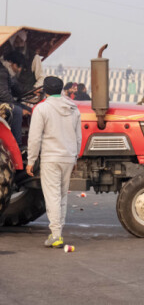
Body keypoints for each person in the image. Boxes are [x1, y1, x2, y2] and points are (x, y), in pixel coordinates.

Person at [26, 76, 82, 248]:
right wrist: (75, 157)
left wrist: (31, 160)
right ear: (61, 89)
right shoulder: (73, 109)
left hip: (50, 158)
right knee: (62, 195)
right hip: (68, 158)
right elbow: (78, 137)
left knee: (52, 196)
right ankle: (57, 232)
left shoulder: (41, 109)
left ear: (45, 90)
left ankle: (56, 235)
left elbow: (34, 138)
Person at [0, 51, 26, 147]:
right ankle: (17, 145)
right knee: (17, 111)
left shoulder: (7, 72)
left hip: (3, 101)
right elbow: (4, 94)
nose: (19, 70)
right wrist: (15, 106)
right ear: (11, 63)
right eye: (18, 66)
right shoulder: (2, 72)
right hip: (2, 102)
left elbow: (17, 90)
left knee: (26, 108)